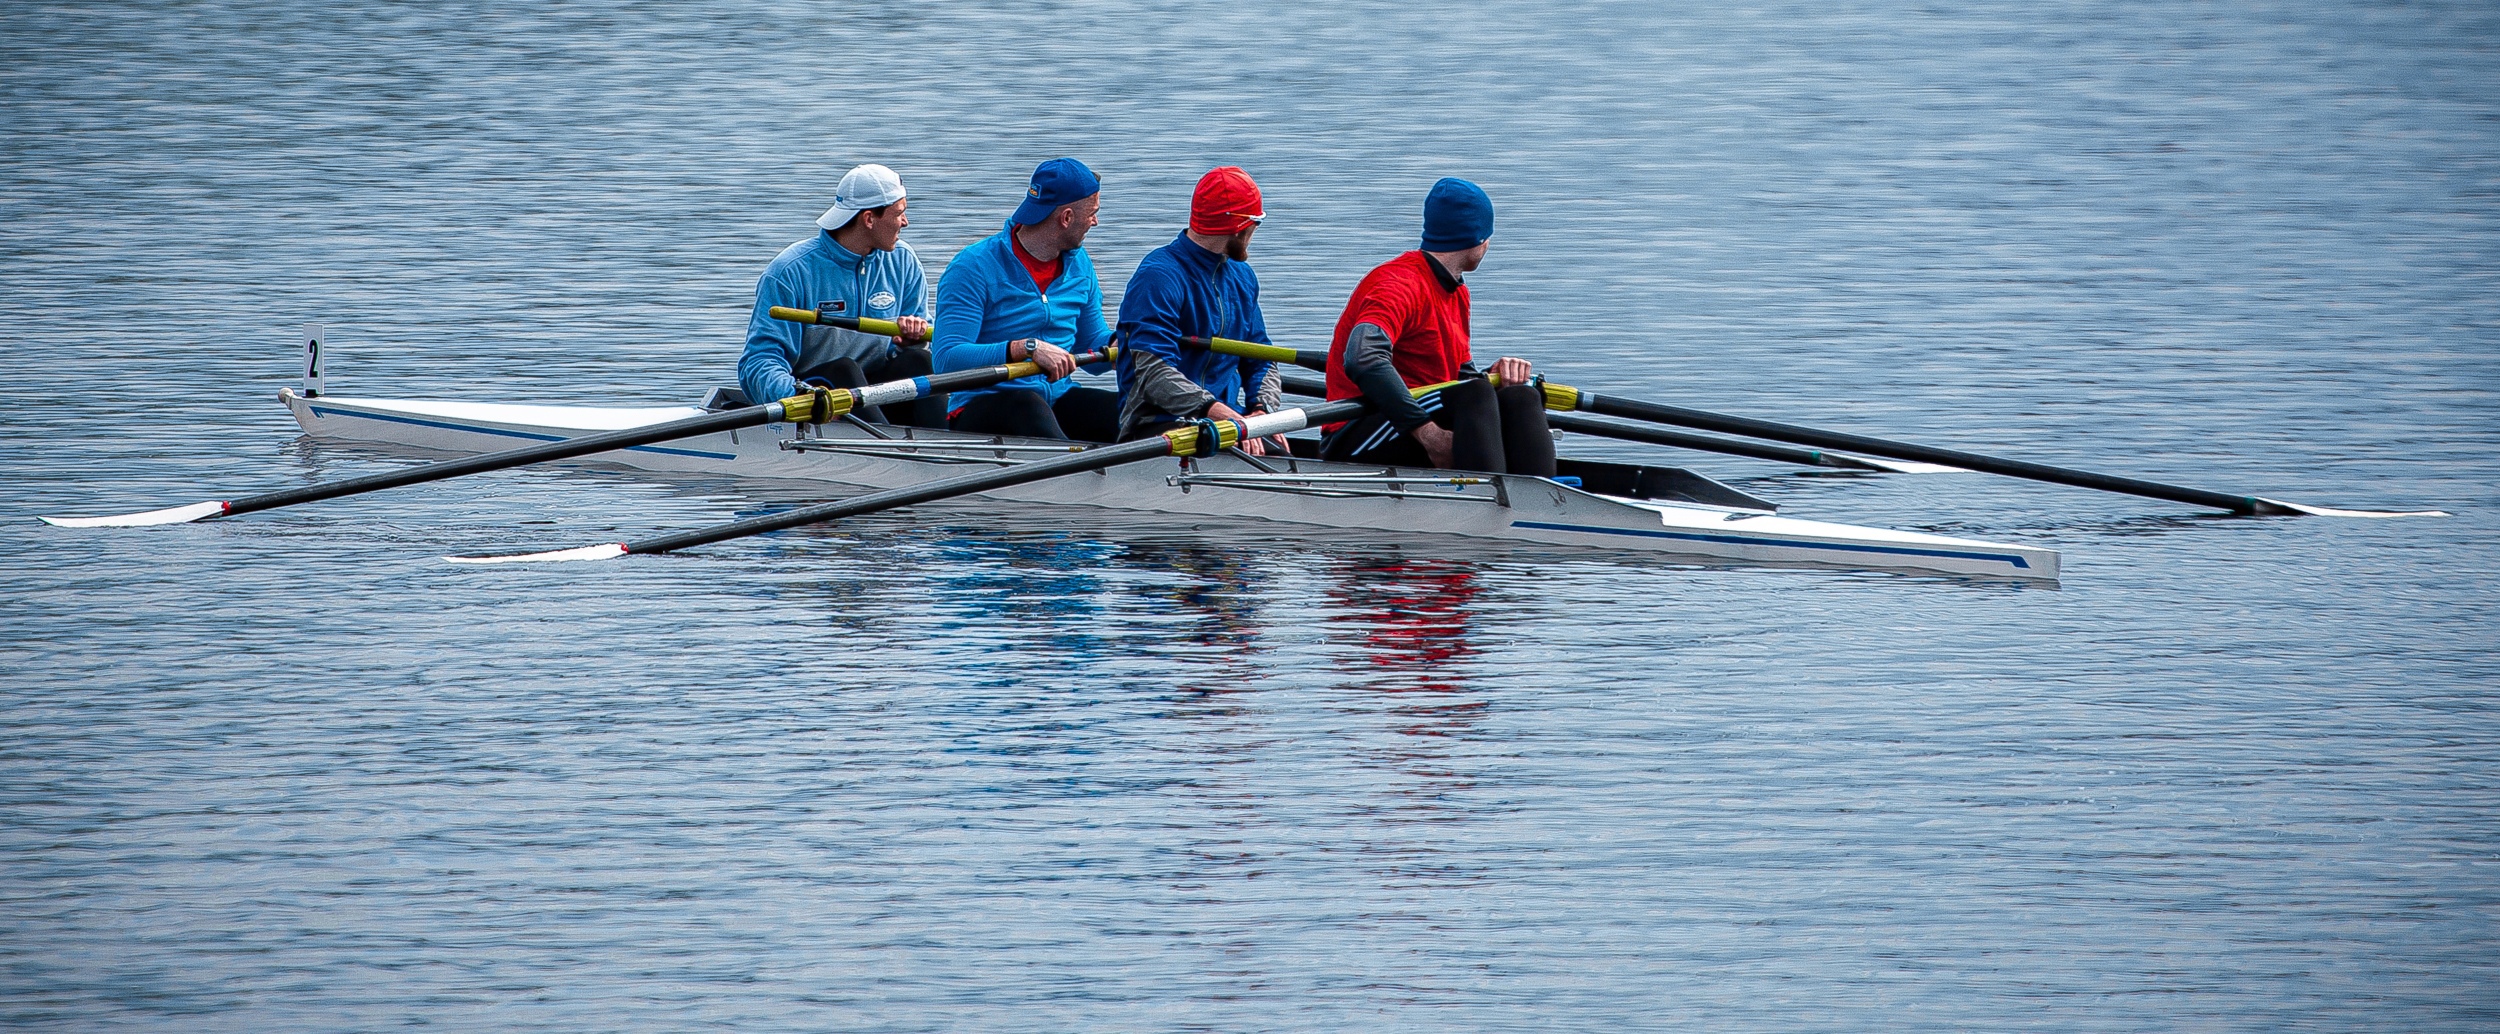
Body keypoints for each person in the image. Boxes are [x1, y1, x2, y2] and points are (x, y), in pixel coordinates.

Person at [1319, 177, 1554, 476]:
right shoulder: (1397, 284)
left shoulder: (1456, 292)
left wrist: (1495, 377)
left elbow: (1456, 376)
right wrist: (1431, 436)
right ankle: (1490, 507)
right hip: (1354, 434)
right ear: (1479, 238)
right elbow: (1362, 358)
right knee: (1476, 394)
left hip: (1409, 421)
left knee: (1522, 395)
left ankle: (1538, 503)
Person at [738, 163, 943, 427]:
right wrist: (797, 396)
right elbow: (758, 363)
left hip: (875, 395)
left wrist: (911, 342)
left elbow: (913, 346)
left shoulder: (903, 260)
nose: (906, 222)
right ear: (869, 219)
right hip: (818, 397)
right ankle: (895, 451)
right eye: (899, 213)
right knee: (843, 369)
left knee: (918, 360)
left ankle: (948, 441)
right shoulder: (790, 271)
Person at [931, 158, 1120, 442]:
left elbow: (1090, 347)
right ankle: (1075, 475)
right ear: (1066, 217)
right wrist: (1025, 348)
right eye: (1092, 213)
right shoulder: (972, 267)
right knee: (1028, 405)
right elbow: (946, 360)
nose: (1096, 221)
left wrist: (1120, 344)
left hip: (1057, 398)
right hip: (984, 408)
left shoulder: (1080, 265)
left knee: (1131, 411)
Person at [1113, 165, 1286, 452]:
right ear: (1239, 226)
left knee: (1277, 450)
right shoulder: (1158, 276)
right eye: (1257, 222)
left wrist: (1261, 410)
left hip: (1225, 417)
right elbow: (1155, 374)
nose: (1256, 230)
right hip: (1158, 422)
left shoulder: (1243, 277)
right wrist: (1217, 411)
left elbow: (1261, 357)